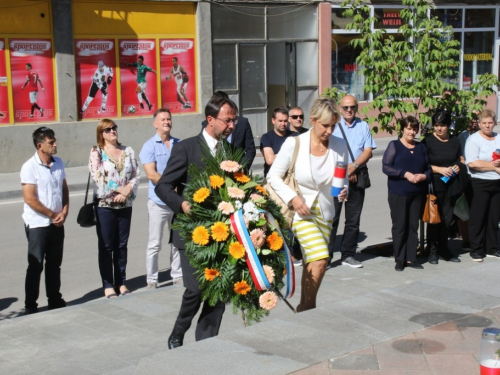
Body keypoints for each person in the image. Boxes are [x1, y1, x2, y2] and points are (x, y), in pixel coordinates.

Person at [155, 96, 237, 349]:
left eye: (234, 120)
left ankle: (206, 344)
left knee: (219, 290)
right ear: (210, 119)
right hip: (192, 234)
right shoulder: (187, 148)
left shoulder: (229, 151)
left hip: (221, 235)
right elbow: (163, 186)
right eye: (227, 120)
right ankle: (178, 332)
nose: (232, 125)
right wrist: (182, 204)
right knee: (196, 288)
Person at [267, 96, 348, 312]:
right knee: (321, 258)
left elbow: (342, 175)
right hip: (299, 212)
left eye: (333, 126)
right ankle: (309, 309)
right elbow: (272, 177)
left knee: (313, 262)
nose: (329, 131)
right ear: (312, 120)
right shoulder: (295, 143)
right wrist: (293, 197)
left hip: (326, 211)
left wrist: (343, 188)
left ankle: (303, 306)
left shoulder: (339, 144)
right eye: (325, 125)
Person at [89, 119, 140, 298]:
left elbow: (136, 174)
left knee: (121, 245)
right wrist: (120, 189)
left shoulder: (128, 150)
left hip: (125, 205)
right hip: (105, 206)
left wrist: (127, 191)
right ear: (101, 133)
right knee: (106, 246)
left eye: (114, 128)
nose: (112, 132)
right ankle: (108, 284)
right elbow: (97, 176)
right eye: (108, 129)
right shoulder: (97, 152)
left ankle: (121, 282)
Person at [20, 127, 69, 314]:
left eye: (54, 140)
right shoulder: (29, 167)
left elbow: (64, 189)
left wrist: (64, 212)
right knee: (36, 264)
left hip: (57, 223)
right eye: (51, 142)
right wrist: (52, 214)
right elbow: (30, 198)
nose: (55, 144)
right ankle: (30, 304)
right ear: (40, 145)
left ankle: (54, 298)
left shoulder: (59, 163)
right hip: (38, 224)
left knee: (54, 264)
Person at [328, 94, 377, 268]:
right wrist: (345, 171)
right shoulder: (333, 126)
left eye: (352, 107)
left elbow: (368, 150)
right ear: (340, 109)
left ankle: (348, 254)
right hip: (337, 177)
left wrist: (354, 166)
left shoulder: (363, 126)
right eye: (346, 107)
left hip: (357, 176)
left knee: (353, 219)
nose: (349, 110)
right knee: (332, 218)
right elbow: (329, 151)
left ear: (356, 108)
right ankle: (326, 257)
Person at [139, 109, 182, 289]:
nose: (167, 121)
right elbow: (151, 174)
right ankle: (152, 278)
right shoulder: (149, 146)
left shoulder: (178, 144)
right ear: (155, 123)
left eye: (169, 119)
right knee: (155, 242)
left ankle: (177, 275)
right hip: (159, 202)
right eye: (163, 119)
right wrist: (170, 187)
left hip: (177, 201)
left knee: (177, 241)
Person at [382, 116, 431, 271]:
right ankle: (399, 258)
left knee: (412, 225)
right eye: (409, 128)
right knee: (400, 225)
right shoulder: (394, 145)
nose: (412, 132)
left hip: (417, 192)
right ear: (402, 129)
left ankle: (411, 258)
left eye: (414, 129)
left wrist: (424, 176)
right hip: (399, 192)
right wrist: (405, 174)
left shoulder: (421, 147)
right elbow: (386, 167)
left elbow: (428, 168)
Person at [422, 110, 463, 264]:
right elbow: (423, 164)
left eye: (442, 125)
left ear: (448, 126)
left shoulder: (454, 141)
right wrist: (439, 169)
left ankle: (444, 249)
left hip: (451, 185)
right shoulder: (428, 141)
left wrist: (458, 166)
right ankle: (432, 251)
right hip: (435, 184)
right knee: (434, 218)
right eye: (436, 125)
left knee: (447, 218)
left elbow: (461, 159)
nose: (439, 129)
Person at [464, 109, 500, 261]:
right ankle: (476, 249)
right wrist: (494, 167)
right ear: (479, 124)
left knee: (494, 217)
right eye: (484, 123)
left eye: (490, 123)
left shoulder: (498, 138)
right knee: (478, 217)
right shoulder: (473, 140)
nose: (487, 126)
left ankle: (492, 247)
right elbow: (472, 163)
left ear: (494, 123)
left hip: (497, 182)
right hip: (479, 182)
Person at [201, 91, 256, 170]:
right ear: (210, 120)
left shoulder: (243, 123)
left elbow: (250, 149)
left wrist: (241, 168)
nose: (231, 126)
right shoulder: (206, 125)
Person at [457, 111, 480, 250]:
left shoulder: (489, 136)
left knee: (479, 210)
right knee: (464, 211)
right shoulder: (463, 136)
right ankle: (466, 240)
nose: (475, 122)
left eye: (478, 119)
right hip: (466, 177)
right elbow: (460, 156)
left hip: (482, 177)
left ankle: (479, 239)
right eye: (473, 119)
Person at [260, 107, 296, 177]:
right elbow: (270, 160)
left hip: (291, 178)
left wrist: (276, 156)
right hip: (273, 177)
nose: (283, 123)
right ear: (273, 120)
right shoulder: (266, 137)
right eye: (280, 121)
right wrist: (292, 156)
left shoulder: (295, 136)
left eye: (285, 121)